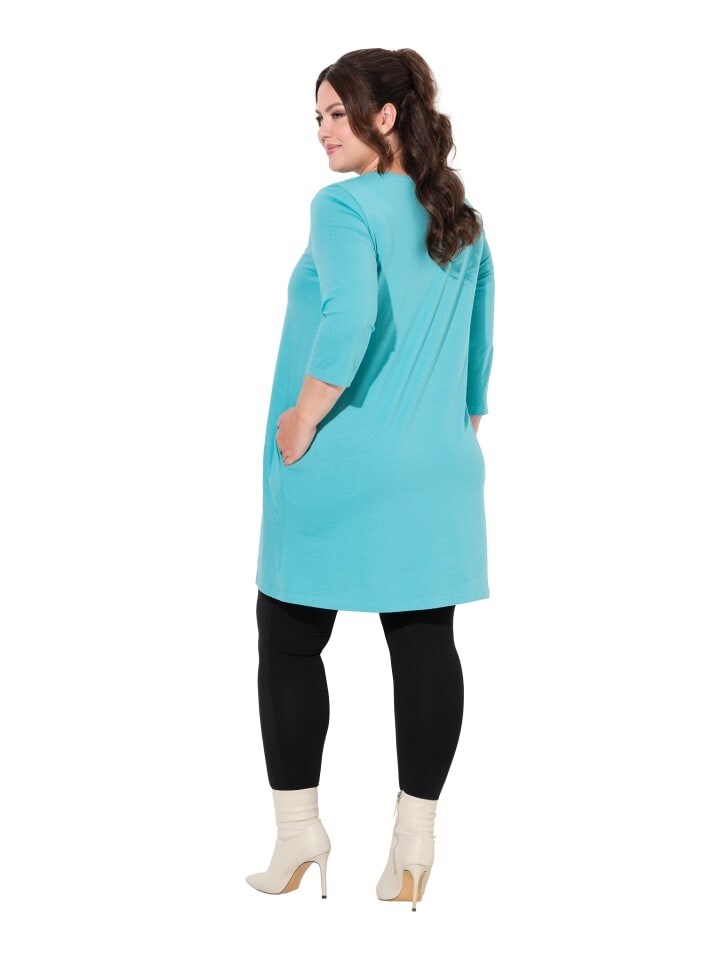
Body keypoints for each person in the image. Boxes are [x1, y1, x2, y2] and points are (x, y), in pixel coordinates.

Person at [246, 47, 495, 911]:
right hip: (439, 471)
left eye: (337, 113)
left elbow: (350, 315)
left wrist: (304, 416)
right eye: (316, 116)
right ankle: (414, 846)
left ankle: (298, 834)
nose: (322, 131)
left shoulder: (342, 206)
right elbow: (478, 355)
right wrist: (445, 437)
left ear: (385, 116)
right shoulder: (458, 217)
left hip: (340, 464)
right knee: (423, 644)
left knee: (287, 638)